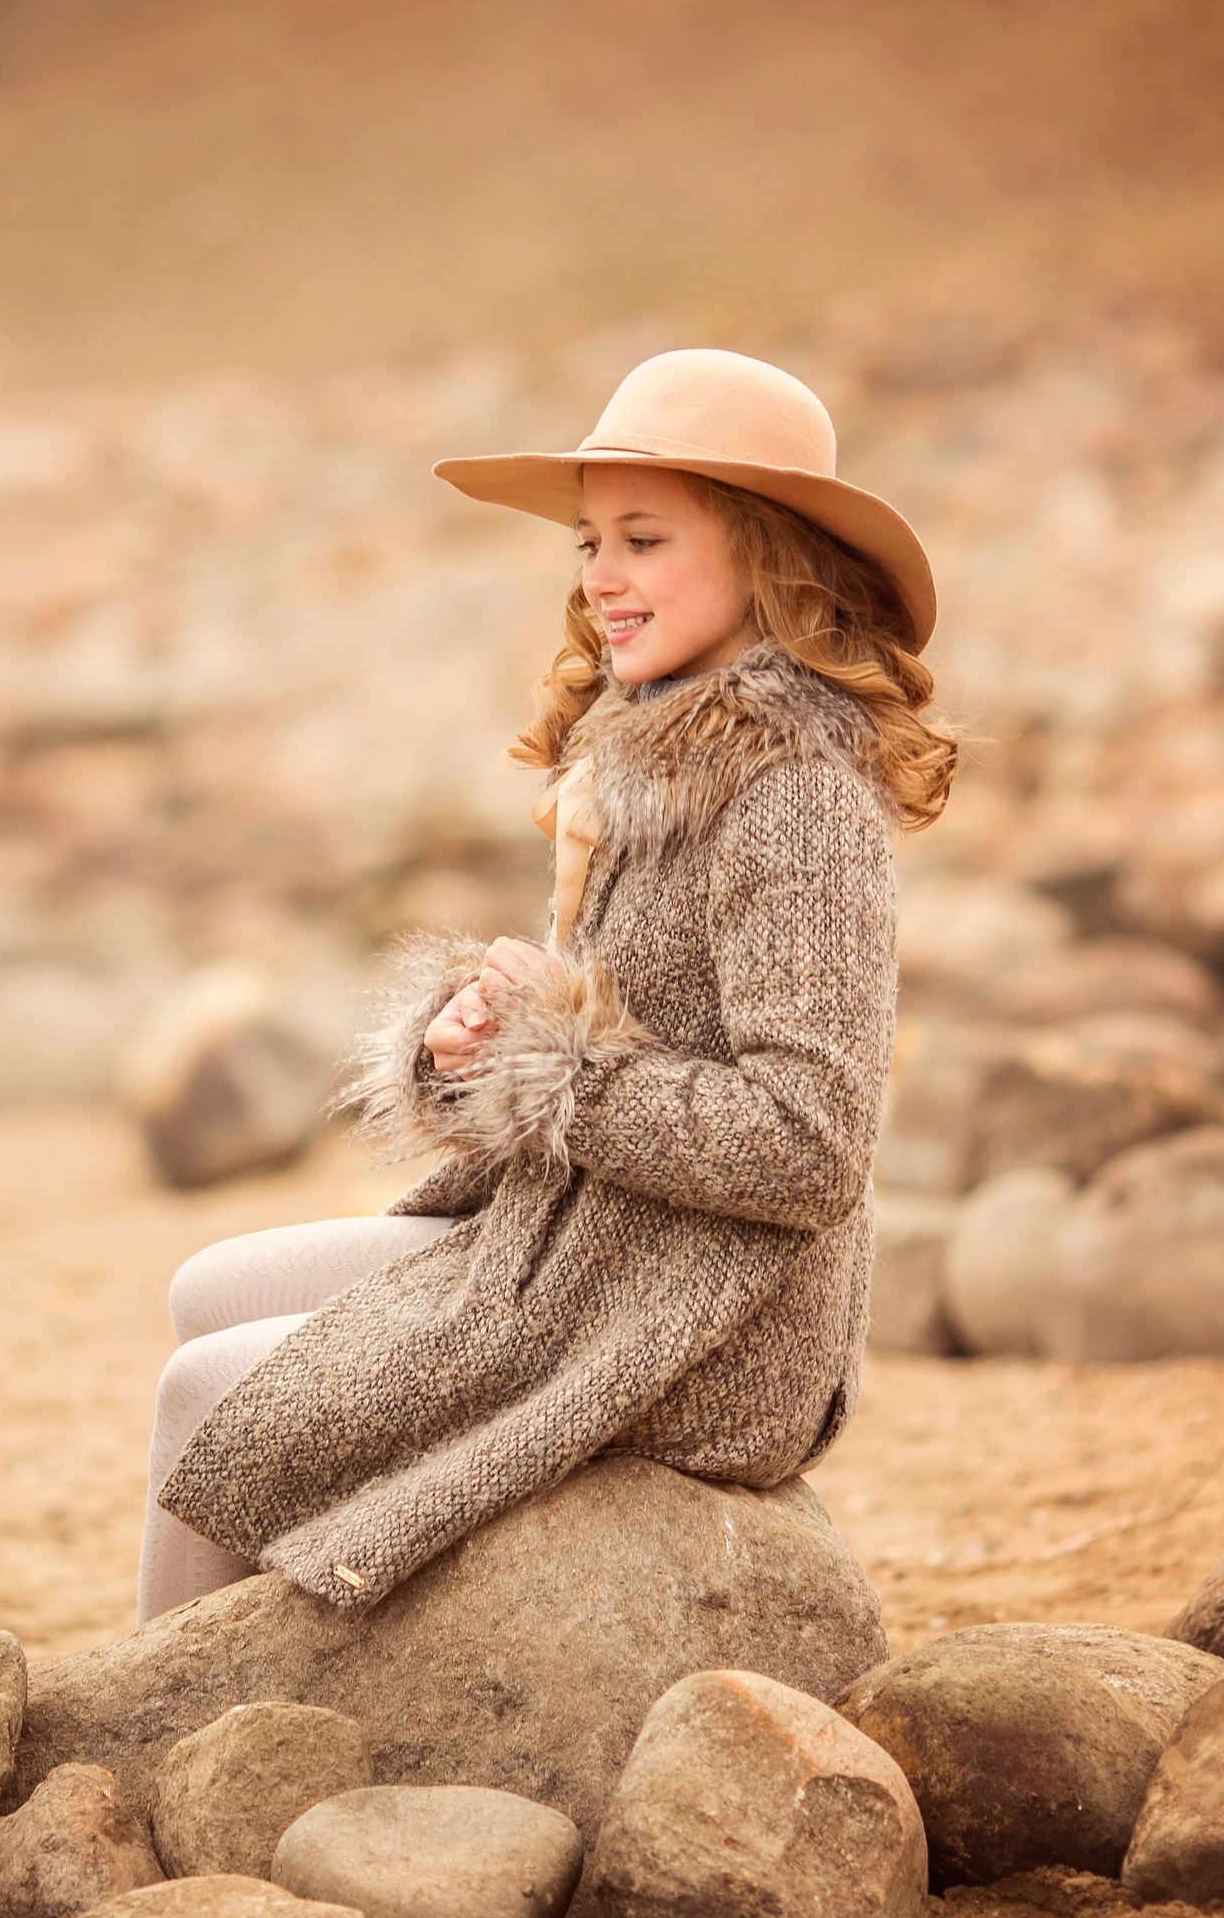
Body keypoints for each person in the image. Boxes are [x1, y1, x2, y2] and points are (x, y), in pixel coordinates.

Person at [136, 348, 956, 1623]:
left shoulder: (796, 795)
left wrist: (553, 1058)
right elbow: (590, 1050)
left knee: (209, 1386)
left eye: (643, 538)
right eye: (589, 542)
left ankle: (173, 1700)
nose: (599, 578)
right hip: (591, 1247)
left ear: (770, 556)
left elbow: (810, 1145)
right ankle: (227, 1672)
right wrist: (471, 1042)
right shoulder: (649, 760)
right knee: (208, 1291)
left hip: (707, 1323)